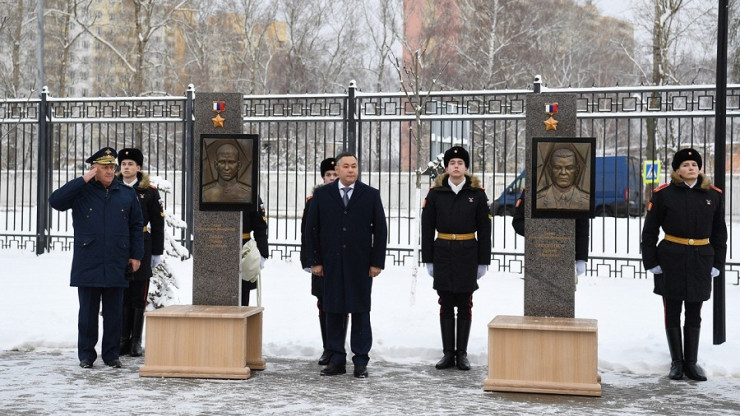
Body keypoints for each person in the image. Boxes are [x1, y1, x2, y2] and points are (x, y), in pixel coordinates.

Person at [49, 147, 144, 369]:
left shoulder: (126, 193)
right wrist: (83, 179)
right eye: (105, 167)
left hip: (117, 260)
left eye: (112, 167)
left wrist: (135, 256)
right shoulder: (82, 191)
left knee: (114, 313)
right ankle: (86, 355)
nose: (111, 171)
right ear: (94, 169)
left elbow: (136, 225)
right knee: (88, 313)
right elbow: (56, 201)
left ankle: (111, 355)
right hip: (89, 260)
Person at [641, 148, 727, 382]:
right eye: (686, 164)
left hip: (701, 258)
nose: (691, 168)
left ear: (700, 169)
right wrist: (651, 262)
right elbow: (649, 231)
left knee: (694, 311)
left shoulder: (713, 195)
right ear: (677, 170)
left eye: (694, 164)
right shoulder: (663, 194)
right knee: (672, 310)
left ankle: (692, 363)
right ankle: (676, 363)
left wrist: (717, 262)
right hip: (671, 258)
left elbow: (720, 233)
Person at [304, 152, 387, 378]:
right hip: (331, 263)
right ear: (337, 170)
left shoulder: (370, 195)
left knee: (360, 311)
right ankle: (336, 359)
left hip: (360, 264)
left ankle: (360, 360)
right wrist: (315, 261)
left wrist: (376, 262)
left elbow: (380, 231)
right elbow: (311, 230)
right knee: (333, 310)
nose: (351, 170)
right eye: (346, 166)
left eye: (354, 166)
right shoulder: (322, 195)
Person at [421, 146, 492, 371]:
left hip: (467, 252)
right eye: (452, 163)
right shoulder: (435, 193)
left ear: (466, 167)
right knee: (445, 303)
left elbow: (484, 228)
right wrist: (428, 259)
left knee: (464, 303)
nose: (456, 166)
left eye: (460, 163)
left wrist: (483, 261)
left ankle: (461, 354)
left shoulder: (477, 194)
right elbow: (427, 227)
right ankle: (447, 354)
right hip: (442, 251)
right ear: (446, 167)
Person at [116, 148, 165, 357]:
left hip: (142, 245)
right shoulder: (113, 187)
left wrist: (156, 252)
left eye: (130, 164)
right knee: (121, 295)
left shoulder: (149, 191)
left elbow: (158, 223)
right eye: (123, 164)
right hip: (118, 246)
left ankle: (136, 340)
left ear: (139, 167)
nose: (126, 167)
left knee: (138, 295)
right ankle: (122, 340)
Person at [300, 158, 343, 366]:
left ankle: (339, 347)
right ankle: (328, 347)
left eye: (335, 175)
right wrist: (309, 260)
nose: (332, 178)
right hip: (321, 260)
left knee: (341, 304)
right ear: (323, 177)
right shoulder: (313, 200)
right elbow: (306, 233)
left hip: (342, 261)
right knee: (323, 303)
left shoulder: (348, 197)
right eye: (329, 175)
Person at [512, 188, 590, 276]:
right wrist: (540, 232)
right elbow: (518, 222)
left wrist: (581, 258)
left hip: (565, 257)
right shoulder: (531, 188)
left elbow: (581, 227)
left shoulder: (575, 191)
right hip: (538, 256)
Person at [536, 146, 589, 210]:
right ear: (550, 170)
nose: (563, 173)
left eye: (569, 168)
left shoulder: (587, 201)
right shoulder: (538, 200)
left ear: (577, 170)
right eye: (557, 167)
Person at [241, 197, 269, 306]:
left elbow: (260, 227)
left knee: (242, 294)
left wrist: (262, 254)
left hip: (243, 248)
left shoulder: (249, 193)